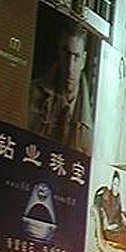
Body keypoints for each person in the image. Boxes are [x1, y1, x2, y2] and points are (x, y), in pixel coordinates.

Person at [28, 20, 94, 154]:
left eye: (76, 57)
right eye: (66, 54)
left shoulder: (97, 114)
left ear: (84, 60)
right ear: (59, 52)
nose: (70, 67)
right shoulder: (31, 93)